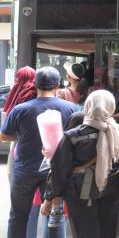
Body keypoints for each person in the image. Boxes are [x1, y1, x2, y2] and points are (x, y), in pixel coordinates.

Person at [0, 67, 78, 238]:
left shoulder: (20, 109)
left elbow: (3, 135)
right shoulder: (72, 109)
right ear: (58, 85)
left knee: (18, 215)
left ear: (35, 85)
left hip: (24, 170)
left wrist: (22, 136)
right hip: (55, 171)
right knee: (55, 214)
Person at [46, 90, 119, 238]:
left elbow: (60, 168)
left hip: (80, 192)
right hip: (110, 185)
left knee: (85, 231)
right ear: (111, 106)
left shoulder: (73, 135)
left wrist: (51, 197)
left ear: (88, 106)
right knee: (108, 230)